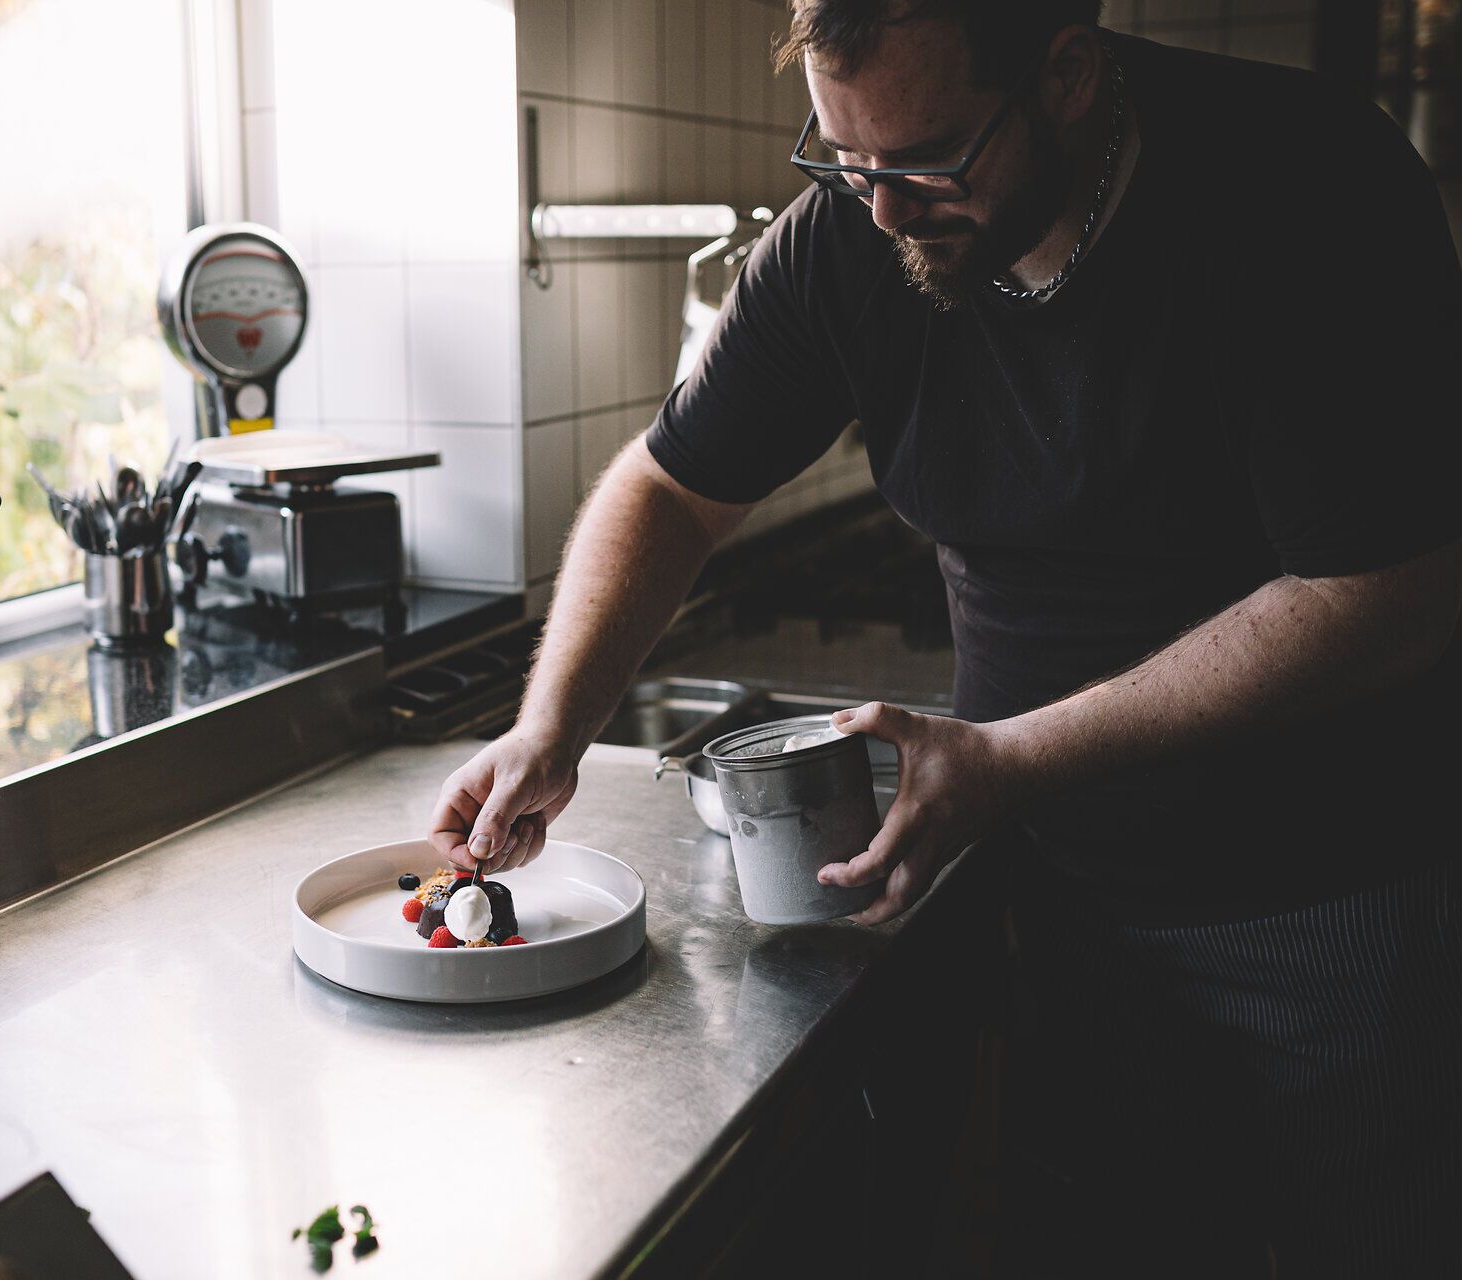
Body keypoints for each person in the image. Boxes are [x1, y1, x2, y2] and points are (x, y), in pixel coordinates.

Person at [428, 1, 1462, 1273]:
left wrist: (1015, 753)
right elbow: (671, 487)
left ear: (1069, 74)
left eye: (922, 161)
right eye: (841, 157)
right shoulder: (860, 233)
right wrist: (552, 724)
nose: (881, 210)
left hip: (1325, 903)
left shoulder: (1301, 186)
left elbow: (1388, 590)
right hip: (1052, 896)